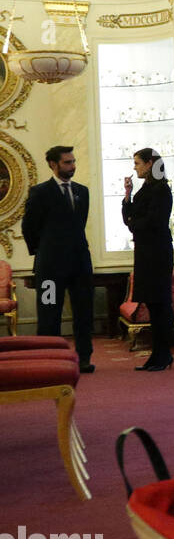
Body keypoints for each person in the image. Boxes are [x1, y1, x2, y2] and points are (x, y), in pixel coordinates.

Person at [22, 145, 95, 372]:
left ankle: (84, 358)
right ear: (53, 165)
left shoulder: (82, 191)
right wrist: (44, 250)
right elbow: (29, 227)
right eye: (67, 162)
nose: (72, 166)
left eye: (73, 162)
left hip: (80, 264)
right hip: (50, 266)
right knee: (49, 310)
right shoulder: (40, 192)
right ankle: (49, 360)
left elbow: (78, 225)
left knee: (84, 311)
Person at [122, 148, 174, 371]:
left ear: (149, 163)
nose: (135, 167)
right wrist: (128, 194)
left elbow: (154, 221)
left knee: (160, 303)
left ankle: (163, 354)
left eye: (137, 163)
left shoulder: (161, 189)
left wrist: (135, 222)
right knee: (153, 305)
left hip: (157, 253)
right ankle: (160, 354)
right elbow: (129, 218)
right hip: (145, 252)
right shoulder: (146, 189)